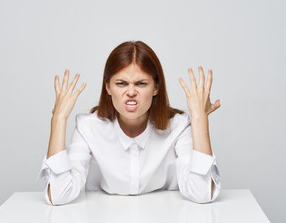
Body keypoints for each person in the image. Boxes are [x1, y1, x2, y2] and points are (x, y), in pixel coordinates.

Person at [37, 41, 221, 205]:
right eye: (121, 83)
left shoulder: (178, 126)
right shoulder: (88, 127)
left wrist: (199, 119)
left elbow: (201, 194)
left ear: (156, 87)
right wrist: (58, 120)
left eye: (141, 83)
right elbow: (59, 195)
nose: (131, 92)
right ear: (108, 87)